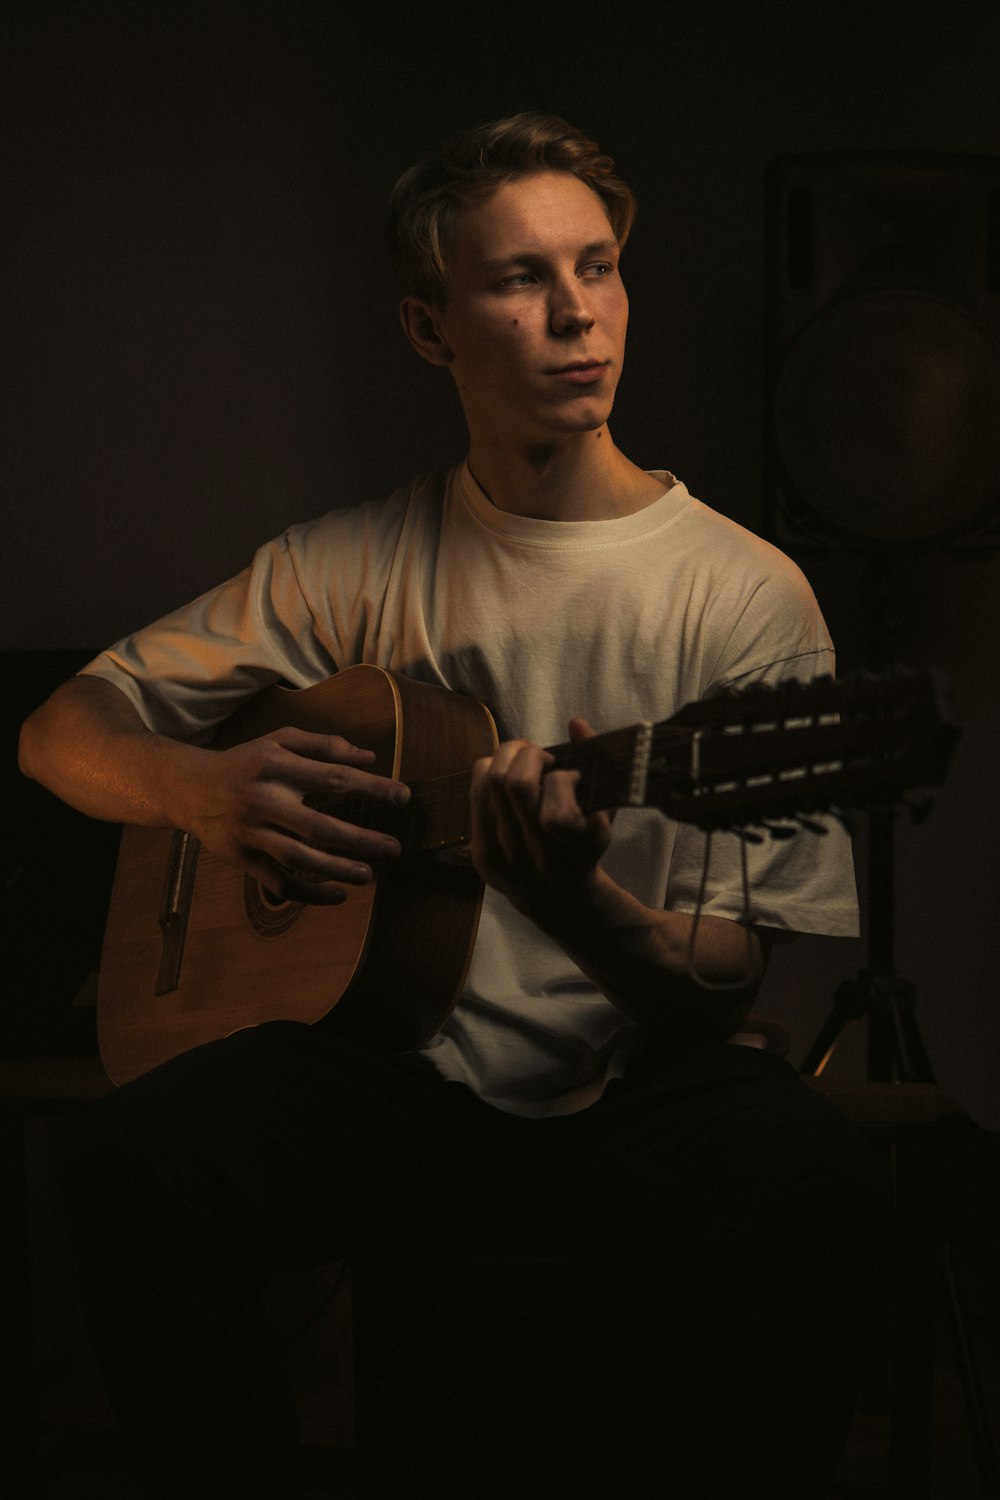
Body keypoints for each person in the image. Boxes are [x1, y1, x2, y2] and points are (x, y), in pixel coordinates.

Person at [20, 112, 886, 1498]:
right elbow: (62, 730)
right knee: (134, 1169)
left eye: (598, 268)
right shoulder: (345, 564)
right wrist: (202, 793)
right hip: (392, 1081)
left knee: (814, 1184)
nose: (574, 315)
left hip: (631, 1091)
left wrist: (580, 906)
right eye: (517, 279)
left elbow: (722, 981)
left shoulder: (742, 593)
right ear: (430, 328)